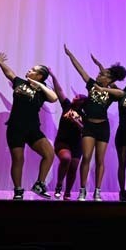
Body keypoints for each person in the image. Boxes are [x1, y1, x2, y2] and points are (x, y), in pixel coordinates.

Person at [64, 45, 126, 201]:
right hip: (89, 126)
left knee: (100, 160)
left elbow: (121, 93)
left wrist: (104, 87)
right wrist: (71, 55)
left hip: (103, 127)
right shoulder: (92, 85)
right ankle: (82, 190)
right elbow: (81, 71)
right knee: (86, 157)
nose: (98, 75)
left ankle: (97, 191)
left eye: (101, 74)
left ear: (109, 79)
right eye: (99, 73)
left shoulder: (111, 91)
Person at [0, 52, 59, 200]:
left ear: (40, 76)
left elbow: (54, 98)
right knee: (18, 159)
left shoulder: (42, 92)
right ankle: (18, 189)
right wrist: (0, 63)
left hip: (32, 128)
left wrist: (40, 85)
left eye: (33, 70)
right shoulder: (20, 83)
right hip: (15, 127)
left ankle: (39, 184)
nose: (29, 70)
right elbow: (10, 74)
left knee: (49, 154)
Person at [48, 69, 84, 200]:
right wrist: (52, 75)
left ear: (82, 103)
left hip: (77, 144)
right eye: (75, 96)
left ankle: (67, 192)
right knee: (66, 159)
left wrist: (76, 121)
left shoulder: (85, 115)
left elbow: (84, 130)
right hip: (62, 141)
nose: (75, 98)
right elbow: (60, 91)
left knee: (74, 167)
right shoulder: (67, 106)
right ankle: (58, 185)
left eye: (78, 98)